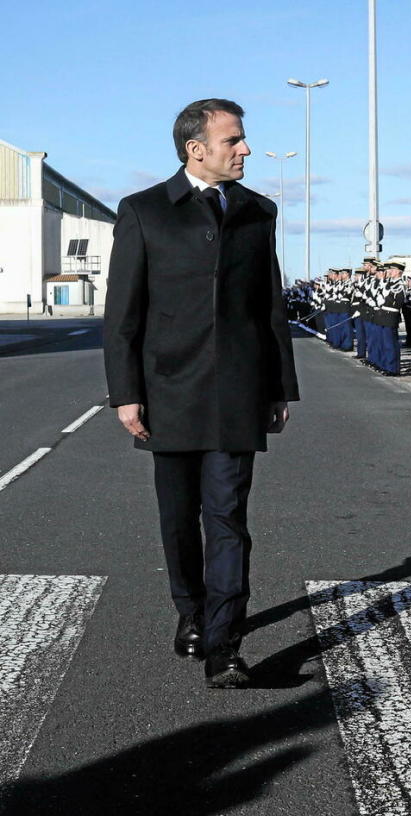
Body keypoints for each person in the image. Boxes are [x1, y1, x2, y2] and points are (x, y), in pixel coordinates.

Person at [103, 98, 299, 688]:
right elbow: (122, 314)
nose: (244, 149)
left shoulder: (257, 212)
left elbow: (270, 306)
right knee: (177, 521)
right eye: (234, 140)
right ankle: (190, 612)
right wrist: (125, 393)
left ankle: (224, 644)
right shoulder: (144, 212)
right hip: (169, 393)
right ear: (197, 149)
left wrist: (279, 386)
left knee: (228, 519)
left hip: (238, 393)